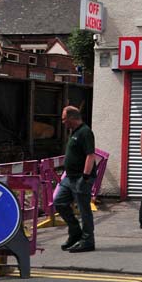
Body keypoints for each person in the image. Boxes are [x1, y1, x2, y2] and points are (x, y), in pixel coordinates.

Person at [54, 106, 97, 253]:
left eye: (65, 119)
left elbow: (90, 155)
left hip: (81, 178)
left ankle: (87, 240)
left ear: (73, 118)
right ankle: (75, 232)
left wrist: (85, 177)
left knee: (84, 210)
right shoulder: (74, 132)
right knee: (59, 201)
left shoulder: (85, 132)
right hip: (69, 178)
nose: (63, 122)